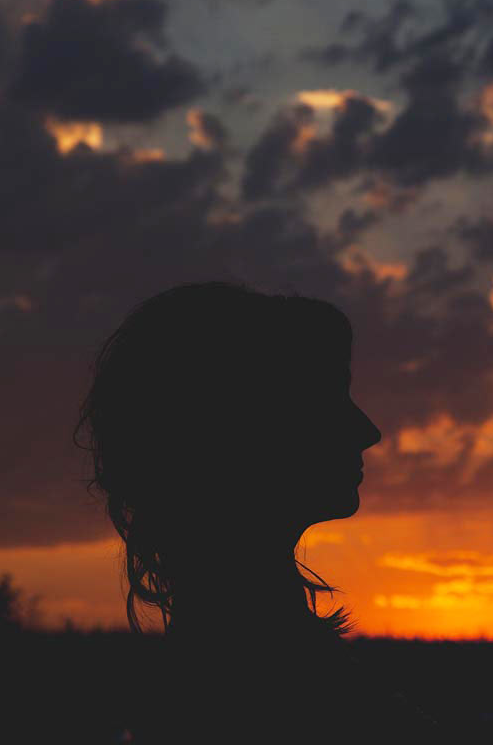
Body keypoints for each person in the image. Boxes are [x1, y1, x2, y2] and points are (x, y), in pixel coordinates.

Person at [76, 282, 432, 742]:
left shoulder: (213, 672)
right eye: (330, 398)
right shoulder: (264, 687)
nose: (368, 431)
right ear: (247, 429)